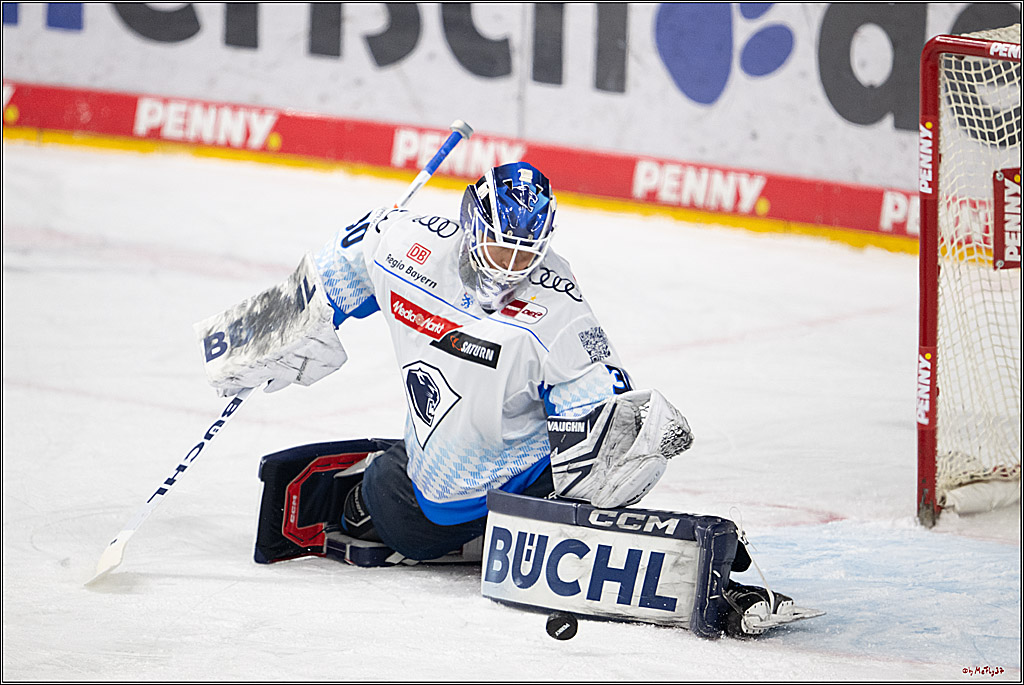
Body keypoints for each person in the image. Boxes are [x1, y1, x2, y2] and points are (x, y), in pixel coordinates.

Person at [206, 161, 693, 563]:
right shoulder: (403, 245)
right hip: (445, 469)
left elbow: (595, 414)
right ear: (472, 224)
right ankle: (425, 492)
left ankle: (429, 502)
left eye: (525, 256)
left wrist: (629, 435)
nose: (509, 269)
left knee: (396, 507)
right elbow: (335, 271)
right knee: (405, 497)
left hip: (517, 476)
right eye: (500, 248)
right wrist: (266, 333)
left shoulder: (560, 311)